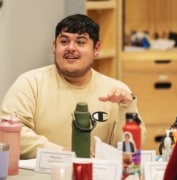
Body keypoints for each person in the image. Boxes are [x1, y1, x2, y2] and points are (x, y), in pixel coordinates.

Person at [0, 14, 146, 159]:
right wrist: (59, 152)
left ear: (96, 48)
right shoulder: (30, 83)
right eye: (64, 41)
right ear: (55, 46)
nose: (71, 48)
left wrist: (127, 107)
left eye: (80, 42)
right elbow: (8, 134)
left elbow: (132, 150)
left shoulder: (116, 91)